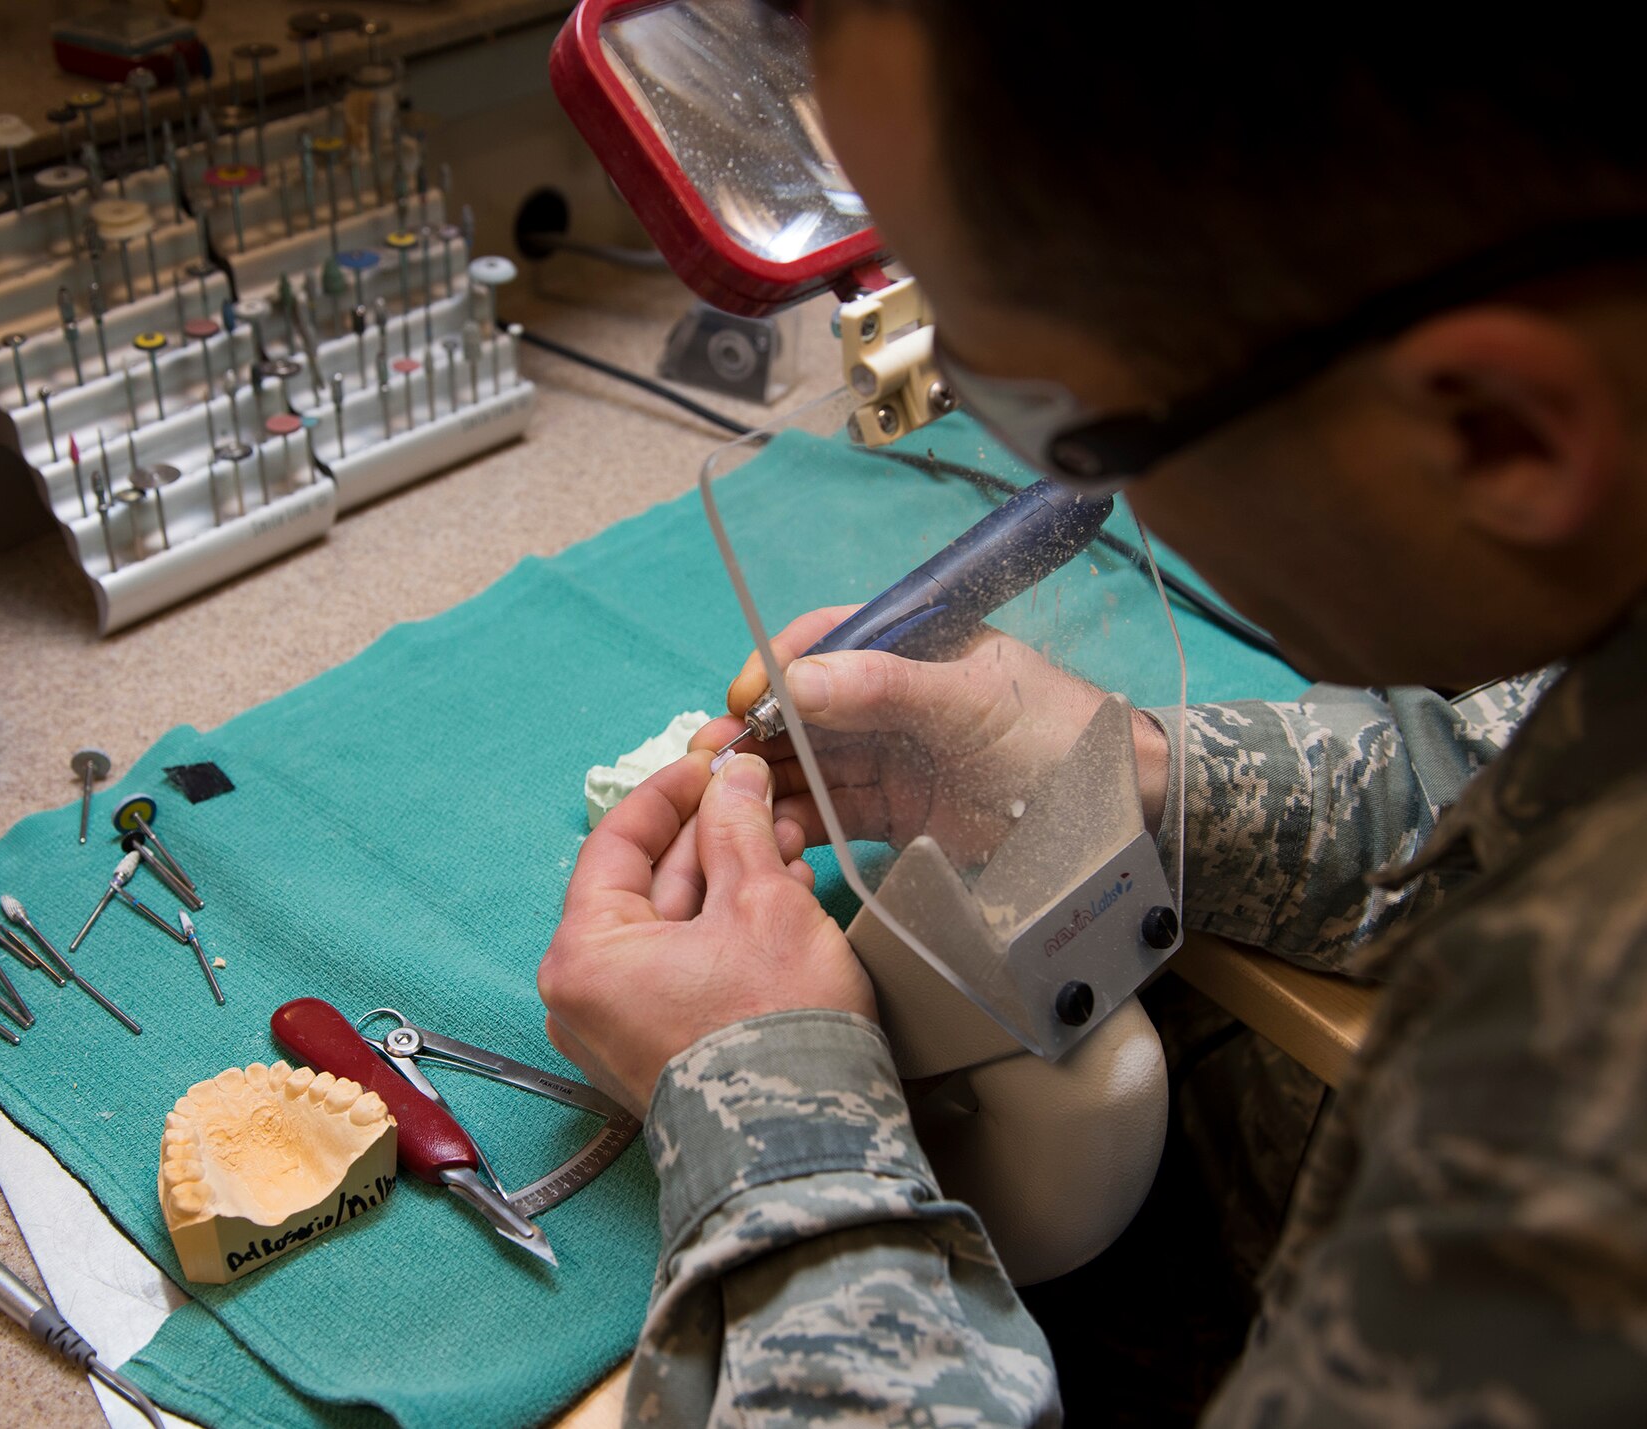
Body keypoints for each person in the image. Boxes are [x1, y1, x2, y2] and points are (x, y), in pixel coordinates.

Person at [536, 3, 1647, 1423]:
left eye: (1051, 412)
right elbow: (1517, 755)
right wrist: (1127, 773)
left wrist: (773, 1119)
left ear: (1496, 429)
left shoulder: (1576, 1130)